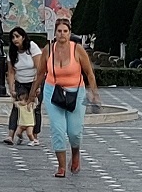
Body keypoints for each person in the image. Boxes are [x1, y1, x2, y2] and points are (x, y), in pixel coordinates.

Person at [33, 16, 100, 177]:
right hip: (53, 91)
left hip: (76, 92)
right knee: (58, 129)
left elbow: (89, 73)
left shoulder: (77, 49)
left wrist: (94, 93)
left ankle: (75, 153)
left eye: (65, 31)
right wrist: (32, 94)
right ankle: (61, 166)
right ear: (54, 33)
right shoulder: (48, 49)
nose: (62, 34)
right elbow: (41, 73)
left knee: (74, 132)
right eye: (59, 31)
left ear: (70, 33)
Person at [0, 27, 42, 145]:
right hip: (21, 82)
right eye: (13, 37)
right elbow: (11, 72)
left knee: (35, 108)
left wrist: (37, 87)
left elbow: (39, 68)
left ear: (23, 37)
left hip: (34, 81)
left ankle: (34, 135)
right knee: (17, 107)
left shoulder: (32, 47)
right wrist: (12, 88)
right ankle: (10, 135)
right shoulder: (12, 52)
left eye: (17, 36)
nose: (15, 39)